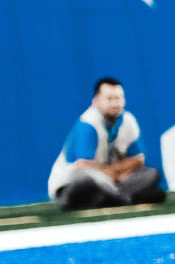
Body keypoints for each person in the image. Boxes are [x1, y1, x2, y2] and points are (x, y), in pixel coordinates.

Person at [48, 77, 164, 210]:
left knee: (151, 173)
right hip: (74, 184)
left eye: (119, 98)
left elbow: (138, 159)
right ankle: (124, 198)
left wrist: (115, 173)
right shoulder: (87, 124)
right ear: (95, 102)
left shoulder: (128, 120)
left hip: (111, 180)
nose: (115, 104)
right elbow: (84, 165)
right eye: (109, 99)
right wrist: (112, 173)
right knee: (87, 178)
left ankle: (109, 199)